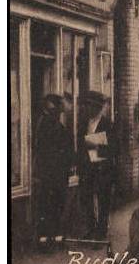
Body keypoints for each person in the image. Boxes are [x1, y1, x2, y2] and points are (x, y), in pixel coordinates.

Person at [33, 94, 73, 248]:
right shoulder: (48, 125)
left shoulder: (53, 125)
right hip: (51, 174)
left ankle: (51, 238)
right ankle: (49, 239)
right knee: (51, 205)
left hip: (54, 174)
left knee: (52, 205)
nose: (58, 112)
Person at [77, 91, 117, 239]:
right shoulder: (83, 123)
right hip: (87, 169)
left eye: (91, 107)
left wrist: (96, 147)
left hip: (103, 169)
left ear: (98, 108)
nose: (87, 110)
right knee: (87, 199)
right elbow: (81, 147)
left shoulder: (108, 124)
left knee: (103, 201)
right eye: (87, 107)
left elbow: (114, 149)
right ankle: (90, 229)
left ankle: (101, 231)